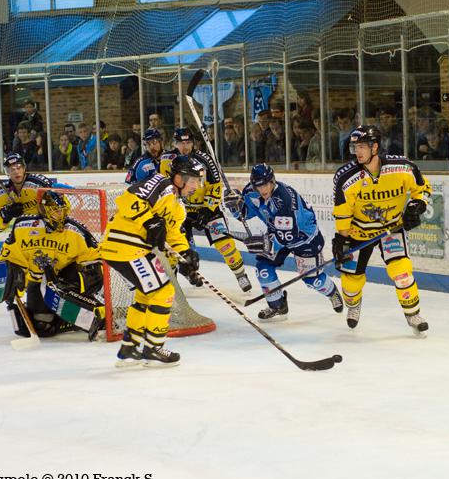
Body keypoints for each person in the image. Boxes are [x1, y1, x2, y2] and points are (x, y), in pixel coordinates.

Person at [101, 156, 203, 367]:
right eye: (193, 181)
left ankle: (129, 348)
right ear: (179, 178)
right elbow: (128, 198)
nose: (196, 186)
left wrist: (186, 254)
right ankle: (153, 348)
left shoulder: (178, 207)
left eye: (198, 182)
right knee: (163, 292)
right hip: (124, 244)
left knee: (146, 295)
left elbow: (173, 234)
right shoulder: (161, 183)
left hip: (132, 249)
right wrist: (149, 221)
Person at [331, 125, 431, 334]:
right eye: (354, 147)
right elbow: (343, 213)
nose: (356, 152)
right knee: (351, 284)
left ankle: (413, 314)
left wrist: (417, 206)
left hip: (391, 228)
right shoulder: (345, 178)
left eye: (361, 147)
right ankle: (353, 304)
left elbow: (422, 189)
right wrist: (342, 240)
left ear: (375, 147)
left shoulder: (402, 167)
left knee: (401, 272)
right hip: (359, 232)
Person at [223, 164, 343, 321]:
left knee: (311, 279)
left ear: (272, 181)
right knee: (263, 270)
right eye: (259, 186)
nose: (263, 189)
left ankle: (331, 291)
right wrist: (235, 206)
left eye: (266, 184)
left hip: (304, 238)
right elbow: (244, 213)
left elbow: (289, 237)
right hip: (277, 233)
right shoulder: (250, 192)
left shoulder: (284, 199)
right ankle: (278, 306)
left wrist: (265, 243)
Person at [0, 190, 104, 339]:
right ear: (44, 210)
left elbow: (95, 257)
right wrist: (10, 287)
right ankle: (63, 319)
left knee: (66, 288)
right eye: (56, 211)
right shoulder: (23, 227)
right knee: (43, 327)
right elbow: (9, 259)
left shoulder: (76, 231)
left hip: (65, 281)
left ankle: (84, 312)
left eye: (63, 211)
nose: (61, 215)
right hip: (38, 282)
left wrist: (88, 280)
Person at [161, 127, 252, 292]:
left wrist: (206, 210)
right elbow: (165, 185)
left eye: (189, 142)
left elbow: (216, 187)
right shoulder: (166, 160)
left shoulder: (205, 159)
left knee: (225, 244)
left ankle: (240, 274)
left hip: (206, 209)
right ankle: (183, 277)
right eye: (181, 143)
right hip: (181, 211)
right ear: (175, 143)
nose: (185, 146)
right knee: (179, 247)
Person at [0, 153, 53, 232]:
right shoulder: (0, 194)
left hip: (45, 230)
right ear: (7, 172)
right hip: (21, 233)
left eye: (19, 168)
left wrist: (45, 204)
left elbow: (60, 207)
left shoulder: (39, 183)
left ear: (24, 168)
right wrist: (6, 214)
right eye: (12, 169)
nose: (16, 172)